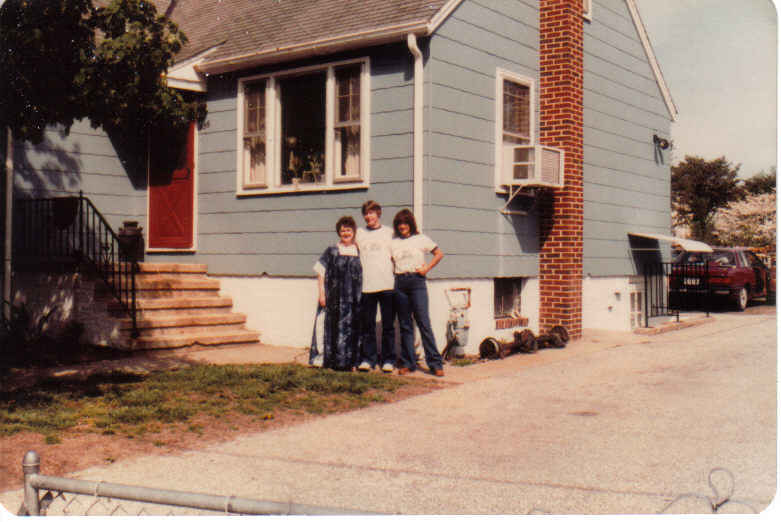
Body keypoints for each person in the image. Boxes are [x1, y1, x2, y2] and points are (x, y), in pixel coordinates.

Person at [391, 209, 445, 377]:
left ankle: (435, 363)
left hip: (417, 282)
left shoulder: (421, 239)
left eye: (405, 223)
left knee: (423, 322)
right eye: (399, 224)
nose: (402, 226)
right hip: (400, 283)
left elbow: (439, 253)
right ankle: (408, 363)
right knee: (405, 325)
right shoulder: (393, 242)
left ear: (411, 224)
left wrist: (426, 268)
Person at [309, 216, 363, 371]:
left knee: (351, 329)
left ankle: (349, 362)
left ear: (354, 232)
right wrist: (322, 294)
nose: (346, 233)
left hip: (353, 299)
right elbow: (320, 271)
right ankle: (332, 361)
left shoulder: (358, 250)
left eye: (348, 230)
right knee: (333, 328)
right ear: (339, 232)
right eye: (342, 230)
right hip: (335, 298)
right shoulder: (331, 250)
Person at [354, 200, 397, 372]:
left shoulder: (389, 233)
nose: (368, 216)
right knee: (368, 325)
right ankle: (368, 359)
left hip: (387, 284)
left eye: (371, 212)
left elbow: (396, 255)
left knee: (388, 325)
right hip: (366, 285)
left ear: (378, 213)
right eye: (366, 213)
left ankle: (388, 360)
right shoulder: (359, 233)